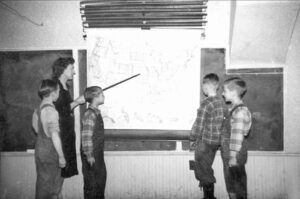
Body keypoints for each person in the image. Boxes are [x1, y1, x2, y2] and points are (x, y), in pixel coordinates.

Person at [190, 73, 229, 199]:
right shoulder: (222, 103)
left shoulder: (206, 103)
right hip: (215, 144)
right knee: (205, 168)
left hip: (205, 143)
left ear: (206, 86)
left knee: (203, 170)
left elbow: (199, 124)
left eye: (203, 86)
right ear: (217, 86)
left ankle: (209, 197)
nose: (202, 89)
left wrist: (192, 137)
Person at [52, 57, 85, 178]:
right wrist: (76, 102)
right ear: (62, 69)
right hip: (60, 136)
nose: (74, 71)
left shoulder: (65, 86)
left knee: (62, 174)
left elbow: (65, 109)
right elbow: (60, 111)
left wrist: (76, 102)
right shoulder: (55, 87)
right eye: (72, 68)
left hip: (67, 135)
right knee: (57, 174)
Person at [32, 79, 66, 199]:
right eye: (58, 90)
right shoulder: (51, 111)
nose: (59, 93)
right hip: (51, 154)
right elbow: (55, 135)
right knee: (53, 189)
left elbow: (36, 128)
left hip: (40, 150)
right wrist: (61, 156)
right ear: (53, 93)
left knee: (43, 185)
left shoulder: (38, 109)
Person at [222, 77, 252, 199]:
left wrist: (233, 156)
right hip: (229, 152)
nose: (222, 93)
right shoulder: (232, 110)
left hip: (235, 153)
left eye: (225, 91)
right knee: (231, 185)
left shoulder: (240, 112)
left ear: (233, 93)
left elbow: (237, 136)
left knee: (238, 186)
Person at [81, 86, 107, 199]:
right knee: (92, 186)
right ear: (95, 98)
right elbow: (86, 137)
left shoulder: (96, 113)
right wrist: (90, 156)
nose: (104, 96)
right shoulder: (90, 114)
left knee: (100, 183)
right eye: (101, 94)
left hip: (97, 155)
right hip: (91, 156)